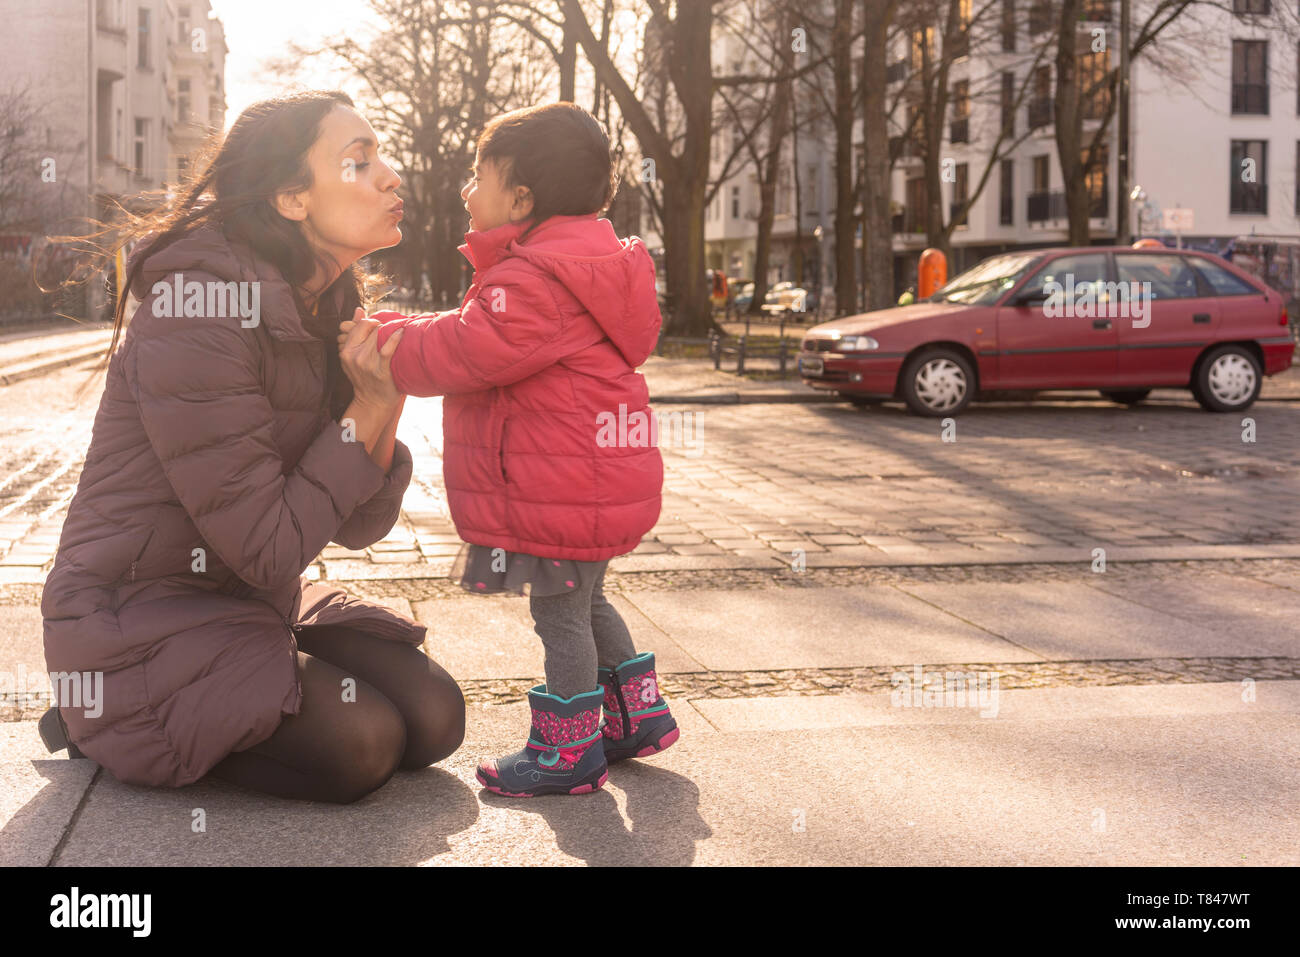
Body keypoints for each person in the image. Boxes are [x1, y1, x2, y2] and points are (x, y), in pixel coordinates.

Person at [39, 91, 465, 804]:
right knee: (365, 744)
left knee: (435, 717)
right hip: (134, 615)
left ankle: (223, 692)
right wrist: (364, 409)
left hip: (250, 597)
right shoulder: (195, 310)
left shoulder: (326, 301)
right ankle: (105, 719)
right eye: (359, 162)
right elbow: (268, 544)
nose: (390, 176)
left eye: (381, 156)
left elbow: (361, 525)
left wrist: (382, 401)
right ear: (292, 197)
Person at [341, 102, 677, 798]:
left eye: (478, 175)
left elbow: (468, 350)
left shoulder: (534, 278)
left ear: (520, 198)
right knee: (586, 600)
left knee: (560, 611)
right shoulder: (568, 265)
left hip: (569, 488)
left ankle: (571, 751)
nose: (467, 190)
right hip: (595, 483)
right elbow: (473, 328)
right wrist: (401, 325)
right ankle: (637, 716)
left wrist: (384, 345)